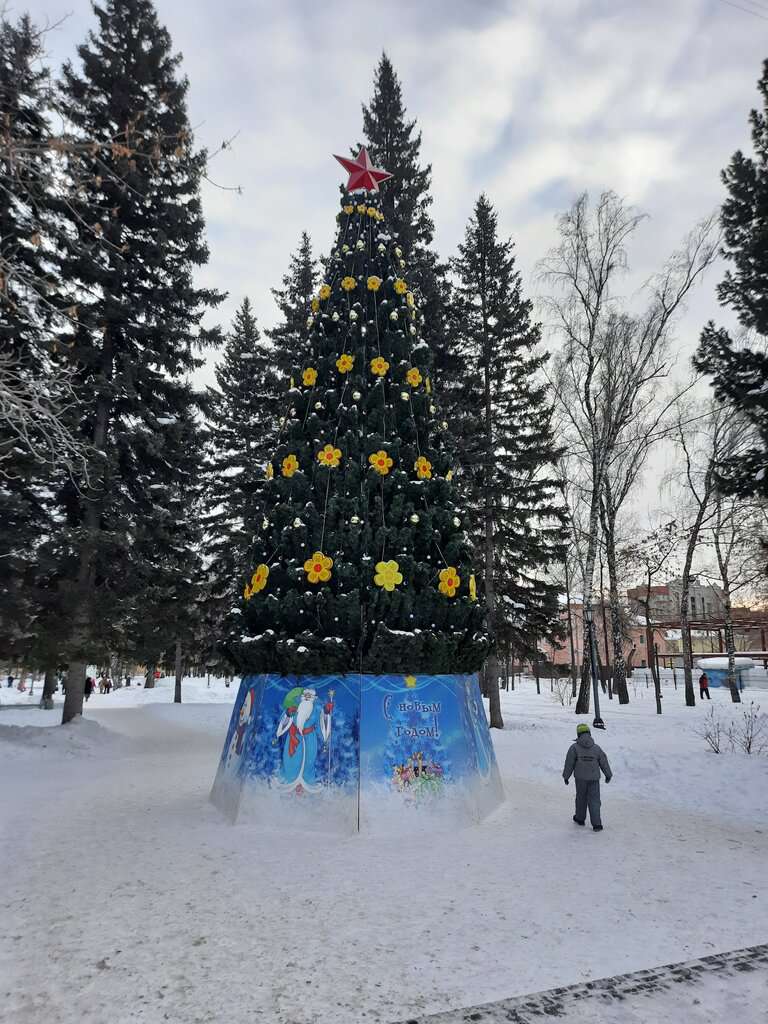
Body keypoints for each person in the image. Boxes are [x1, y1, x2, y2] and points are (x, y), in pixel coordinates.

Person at [563, 723, 613, 832]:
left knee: (581, 798)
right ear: (589, 733)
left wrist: (566, 776)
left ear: (578, 734)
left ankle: (580, 818)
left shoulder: (574, 748)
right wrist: (608, 775)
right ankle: (597, 824)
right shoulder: (596, 748)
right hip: (594, 779)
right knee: (594, 800)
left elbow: (569, 763)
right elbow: (604, 762)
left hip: (580, 779)